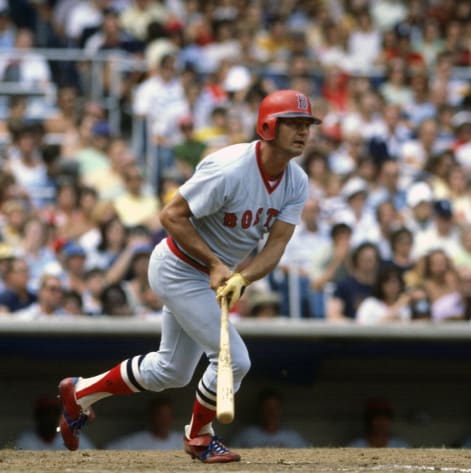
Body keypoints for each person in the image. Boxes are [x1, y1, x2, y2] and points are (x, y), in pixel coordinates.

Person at [56, 89, 321, 463]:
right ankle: (199, 436)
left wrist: (242, 278)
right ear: (268, 126)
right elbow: (171, 215)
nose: (303, 131)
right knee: (234, 361)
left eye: (307, 124)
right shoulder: (229, 167)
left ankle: (79, 392)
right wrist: (215, 264)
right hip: (179, 267)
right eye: (294, 123)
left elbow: (275, 246)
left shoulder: (296, 181)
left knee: (172, 370)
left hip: (213, 274)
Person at [231, 387, 308, 448]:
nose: (271, 412)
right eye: (267, 408)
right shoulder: (247, 435)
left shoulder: (292, 437)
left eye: (275, 408)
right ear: (260, 410)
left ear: (280, 410)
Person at [15, 395, 95, 450]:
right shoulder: (26, 440)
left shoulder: (73, 437)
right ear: (37, 415)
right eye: (45, 413)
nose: (50, 418)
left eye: (54, 413)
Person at [105, 397, 182, 450]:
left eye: (168, 415)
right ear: (151, 417)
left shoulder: (181, 440)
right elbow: (108, 449)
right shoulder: (137, 441)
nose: (164, 420)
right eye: (160, 415)